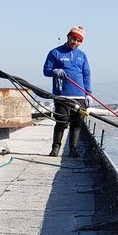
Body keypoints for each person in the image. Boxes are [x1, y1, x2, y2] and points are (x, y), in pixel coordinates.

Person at [42, 26, 91, 157]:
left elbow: (86, 75)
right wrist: (54, 71)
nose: (75, 42)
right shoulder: (55, 53)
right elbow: (46, 70)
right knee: (62, 121)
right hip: (62, 95)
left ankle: (73, 150)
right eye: (73, 39)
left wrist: (88, 94)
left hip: (79, 95)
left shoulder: (82, 56)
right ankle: (55, 148)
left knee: (77, 124)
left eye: (78, 40)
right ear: (68, 37)